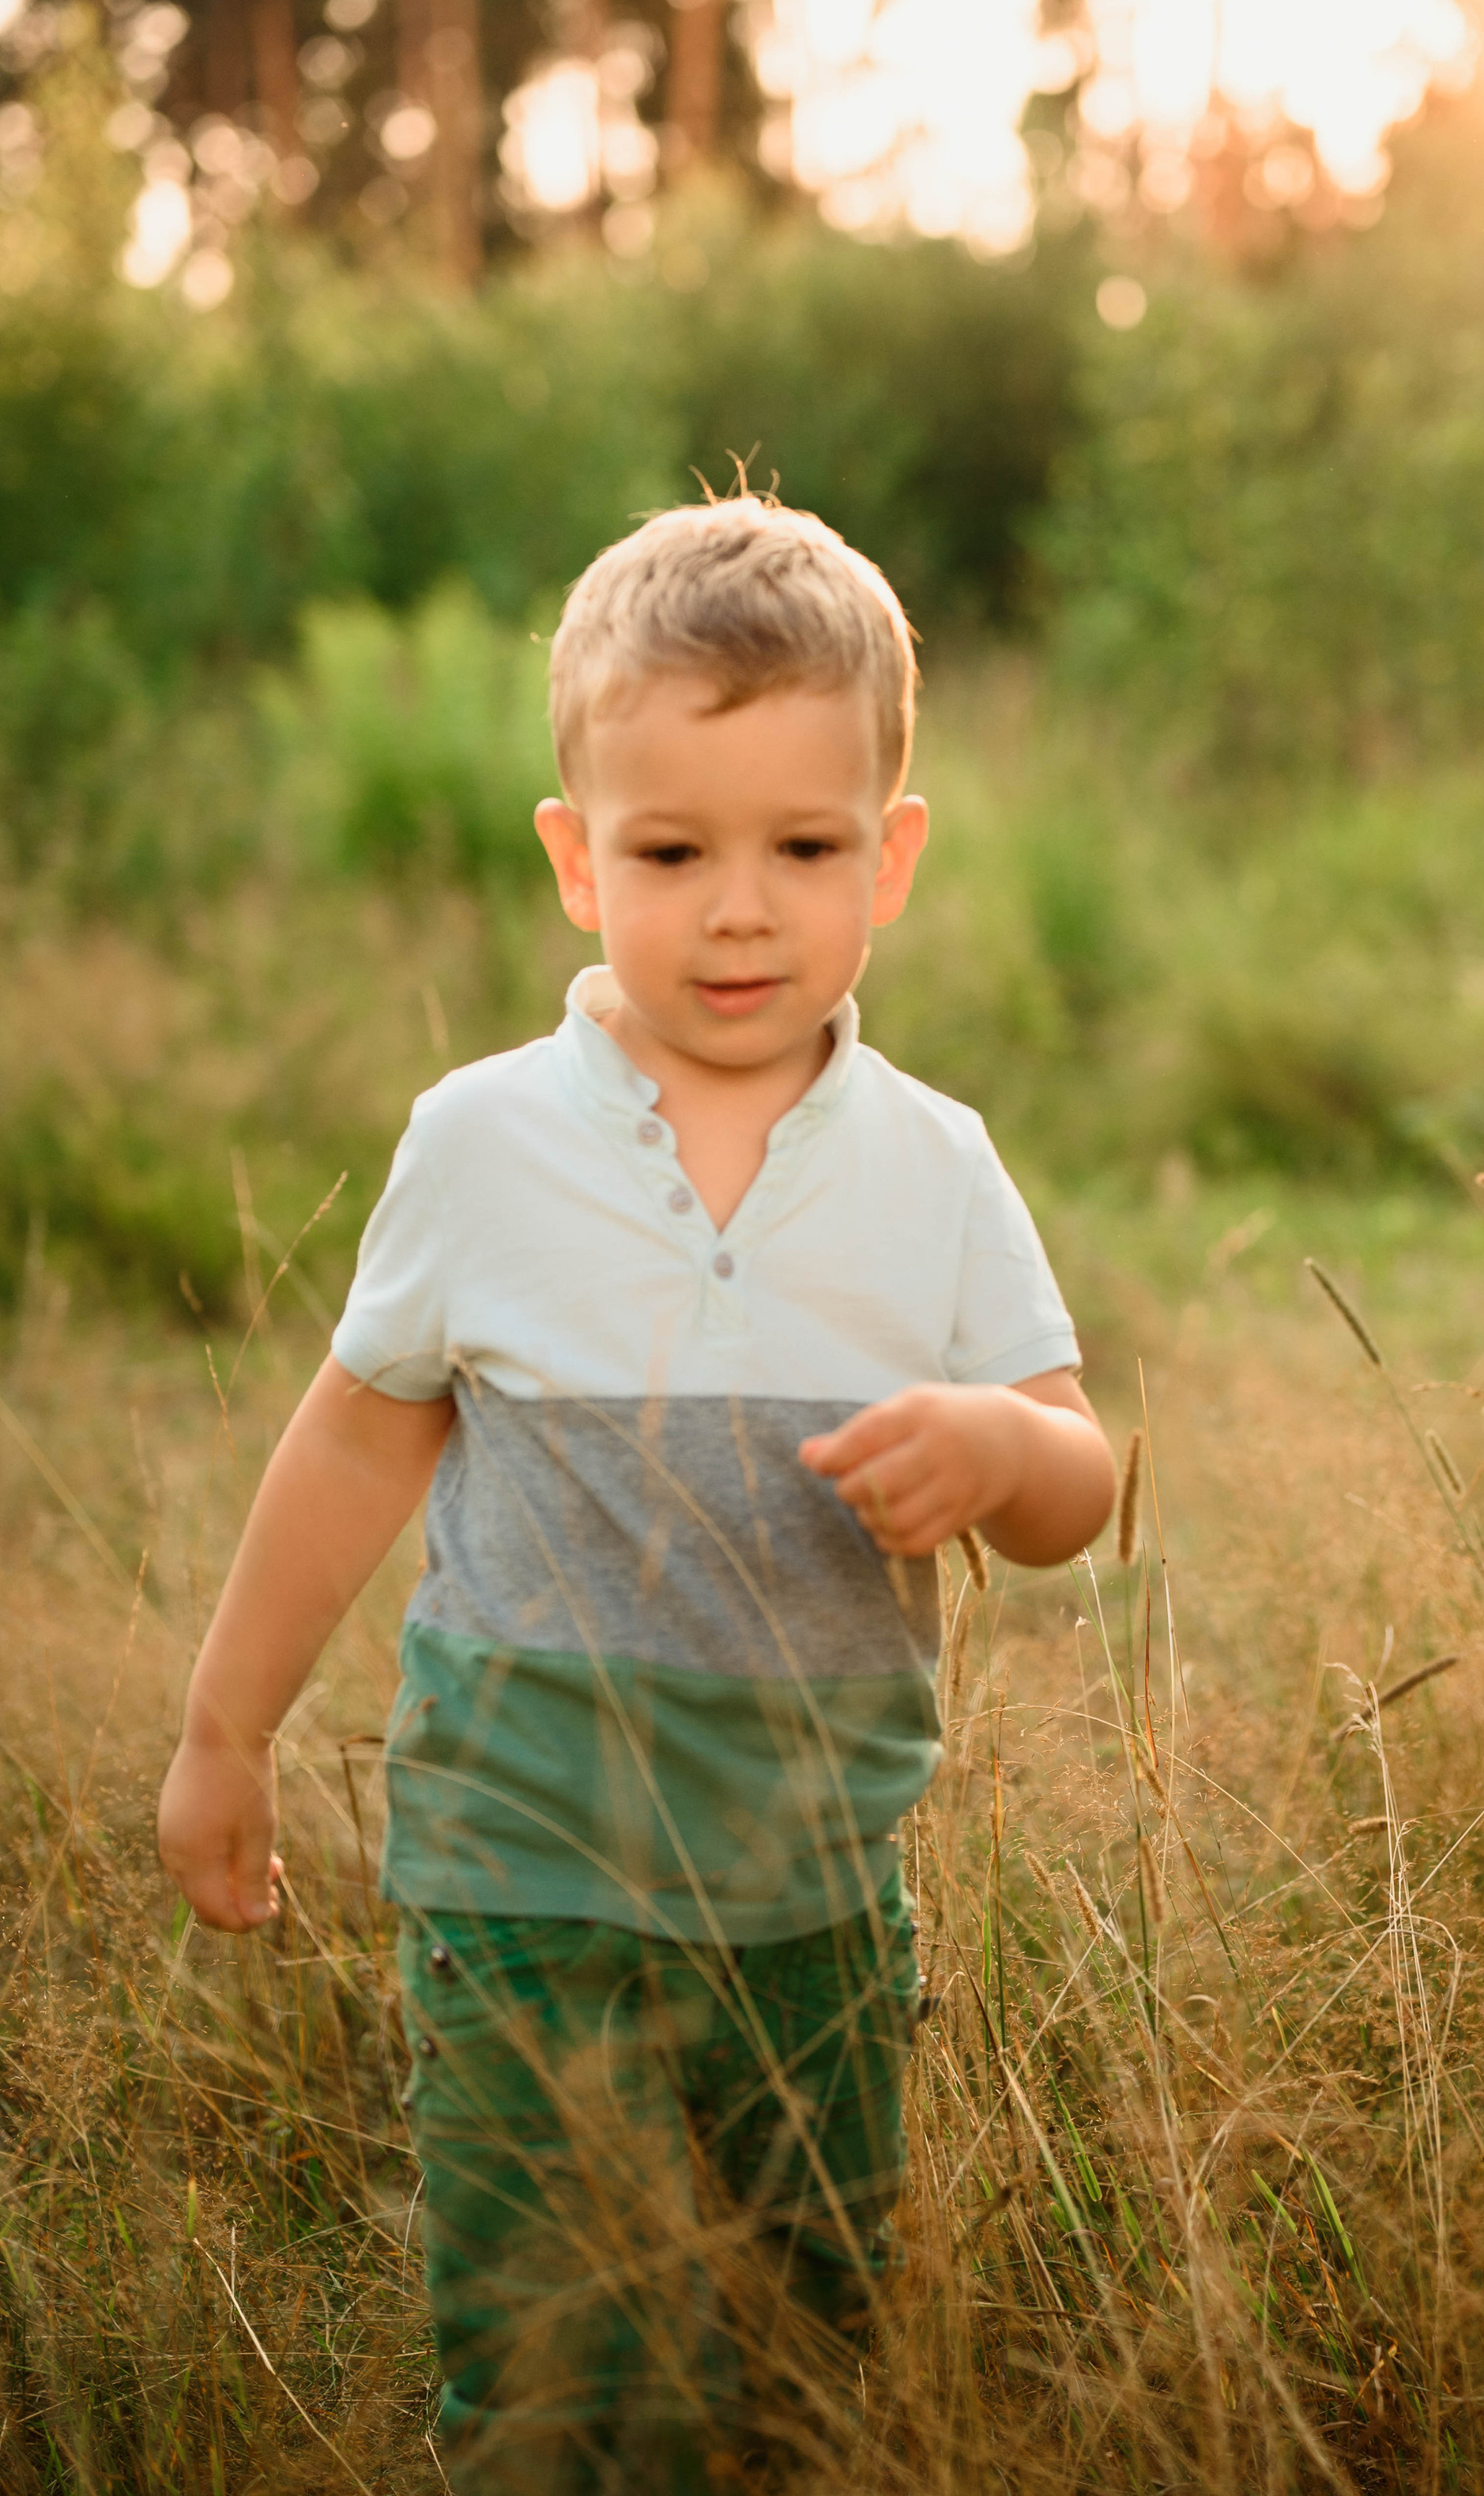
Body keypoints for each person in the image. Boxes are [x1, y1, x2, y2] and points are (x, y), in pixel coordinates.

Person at [157, 495, 1116, 2490]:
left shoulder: (933, 1165)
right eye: (674, 853)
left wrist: (1004, 1450)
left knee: (803, 2350)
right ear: (578, 862)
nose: (741, 909)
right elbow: (354, 1436)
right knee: (550, 2368)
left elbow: (1074, 1474)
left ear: (892, 860)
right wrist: (222, 1728)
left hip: (813, 1891)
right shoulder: (484, 1143)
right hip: (523, 1870)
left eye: (803, 849)